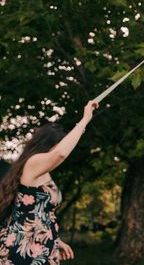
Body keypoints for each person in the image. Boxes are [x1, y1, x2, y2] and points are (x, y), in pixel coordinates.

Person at [0, 101, 98, 263]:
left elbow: (36, 214)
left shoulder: (41, 171)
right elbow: (60, 154)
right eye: (61, 143)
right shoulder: (33, 163)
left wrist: (55, 239)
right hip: (24, 249)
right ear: (50, 145)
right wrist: (85, 118)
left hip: (41, 245)